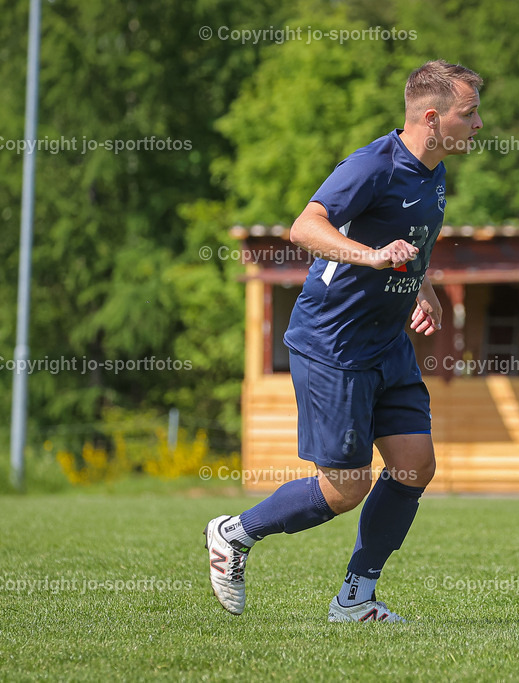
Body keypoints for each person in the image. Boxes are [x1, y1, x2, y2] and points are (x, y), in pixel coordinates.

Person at [205, 60, 483, 623]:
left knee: (415, 466)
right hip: (334, 344)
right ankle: (234, 533)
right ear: (432, 118)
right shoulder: (371, 165)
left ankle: (356, 598)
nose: (478, 124)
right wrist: (374, 257)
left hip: (387, 344)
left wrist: (421, 288)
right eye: (469, 113)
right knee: (345, 488)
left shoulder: (434, 171)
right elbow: (304, 227)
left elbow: (408, 239)